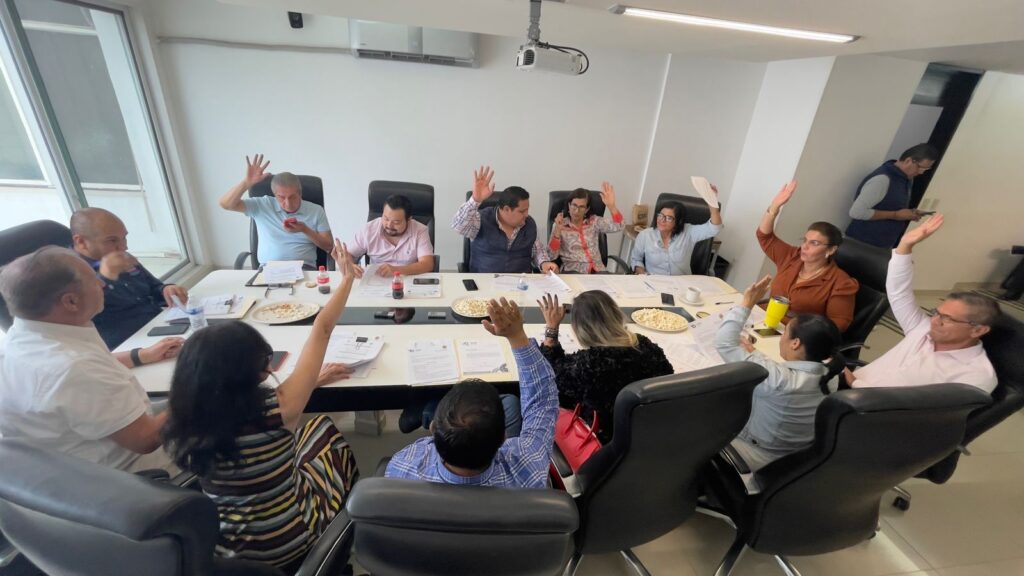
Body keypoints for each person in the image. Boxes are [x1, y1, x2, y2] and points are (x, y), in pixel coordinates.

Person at [163, 239, 360, 570]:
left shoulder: (183, 417)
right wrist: (348, 278)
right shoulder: (277, 409)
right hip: (291, 539)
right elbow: (323, 328)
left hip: (225, 551)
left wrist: (312, 381)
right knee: (324, 432)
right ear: (254, 370)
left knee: (306, 436)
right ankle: (347, 529)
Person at [0, 246, 182, 472]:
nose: (103, 284)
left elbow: (89, 369)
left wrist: (141, 355)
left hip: (65, 462)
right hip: (131, 471)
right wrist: (198, 392)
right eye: (94, 280)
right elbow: (145, 440)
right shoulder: (75, 368)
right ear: (71, 302)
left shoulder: (21, 339)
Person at [386, 297, 558, 488]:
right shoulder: (529, 468)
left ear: (433, 429)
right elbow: (542, 401)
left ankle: (422, 410)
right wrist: (517, 337)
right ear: (503, 438)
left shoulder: (401, 468)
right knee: (510, 402)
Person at [847, 214, 999, 393]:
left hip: (860, 403)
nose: (934, 321)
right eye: (936, 313)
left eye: (946, 319)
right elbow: (899, 292)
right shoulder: (922, 329)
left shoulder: (975, 377)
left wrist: (853, 382)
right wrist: (905, 246)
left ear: (978, 330)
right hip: (845, 388)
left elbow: (913, 409)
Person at [715, 275, 845, 472]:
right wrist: (754, 354)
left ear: (795, 343)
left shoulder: (779, 380)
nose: (781, 338)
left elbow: (724, 343)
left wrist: (747, 303)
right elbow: (782, 376)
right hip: (793, 455)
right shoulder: (831, 376)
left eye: (785, 333)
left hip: (755, 455)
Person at [537, 291, 673, 443]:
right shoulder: (646, 347)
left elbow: (550, 375)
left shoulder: (589, 365)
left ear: (579, 330)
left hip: (602, 441)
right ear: (616, 315)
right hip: (651, 434)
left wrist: (551, 329)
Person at [70, 207, 189, 349]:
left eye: (124, 238)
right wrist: (106, 277)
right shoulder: (68, 272)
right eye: (112, 240)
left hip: (159, 324)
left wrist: (167, 289)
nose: (124, 247)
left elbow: (154, 287)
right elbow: (84, 316)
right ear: (81, 241)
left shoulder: (121, 257)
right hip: (127, 343)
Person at [757, 180, 858, 332]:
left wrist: (801, 330)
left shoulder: (841, 283)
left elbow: (839, 324)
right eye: (805, 240)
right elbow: (765, 237)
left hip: (796, 334)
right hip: (764, 320)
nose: (805, 246)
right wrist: (774, 208)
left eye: (814, 243)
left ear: (831, 250)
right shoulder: (793, 256)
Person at [218, 154, 333, 269]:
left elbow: (329, 246)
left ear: (300, 193)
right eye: (282, 197)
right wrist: (246, 183)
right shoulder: (262, 205)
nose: (288, 203)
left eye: (292, 197)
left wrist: (305, 230)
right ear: (274, 195)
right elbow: (226, 204)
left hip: (303, 268)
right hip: (268, 268)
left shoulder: (316, 210)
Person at [451, 165, 558, 274]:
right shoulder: (481, 219)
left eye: (527, 210)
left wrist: (544, 263)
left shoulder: (529, 224)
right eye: (522, 211)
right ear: (506, 209)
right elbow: (458, 226)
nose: (527, 215)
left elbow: (537, 251)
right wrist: (475, 200)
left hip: (521, 281)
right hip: (485, 280)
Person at [846, 143, 939, 248]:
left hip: (882, 244)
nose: (921, 172)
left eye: (926, 169)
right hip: (861, 243)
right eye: (920, 168)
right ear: (908, 161)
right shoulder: (882, 179)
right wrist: (895, 215)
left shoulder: (906, 178)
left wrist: (909, 213)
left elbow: (890, 205)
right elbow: (856, 212)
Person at [631, 187, 724, 275]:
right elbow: (636, 259)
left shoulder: (689, 232)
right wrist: (642, 274)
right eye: (660, 215)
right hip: (653, 283)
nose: (662, 220)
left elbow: (714, 228)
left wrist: (713, 205)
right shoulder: (645, 235)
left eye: (669, 218)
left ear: (678, 221)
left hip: (682, 283)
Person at [348, 194, 434, 277]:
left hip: (407, 279)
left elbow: (427, 264)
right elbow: (348, 254)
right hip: (376, 280)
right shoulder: (369, 230)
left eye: (396, 222)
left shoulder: (420, 231)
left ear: (408, 220)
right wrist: (350, 266)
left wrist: (397, 270)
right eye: (386, 219)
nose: (389, 225)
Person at [548, 184, 624, 273]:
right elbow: (551, 255)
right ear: (569, 205)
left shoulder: (594, 221)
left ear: (587, 209)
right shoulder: (560, 225)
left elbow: (620, 226)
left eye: (581, 207)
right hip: (573, 271)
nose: (577, 211)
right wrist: (557, 232)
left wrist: (612, 206)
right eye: (574, 205)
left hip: (598, 270)